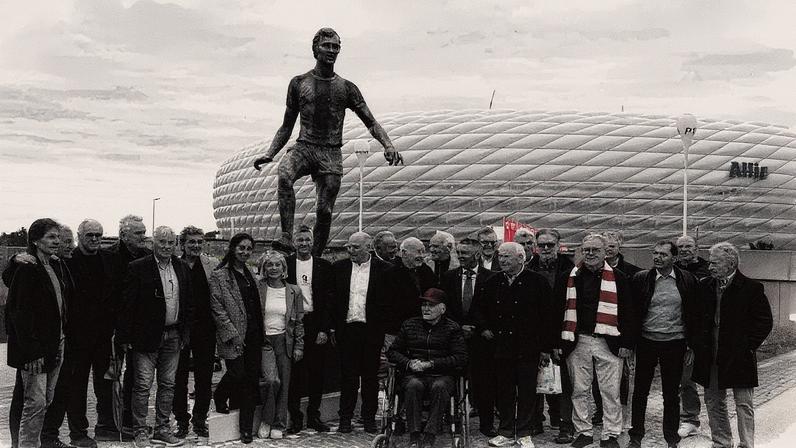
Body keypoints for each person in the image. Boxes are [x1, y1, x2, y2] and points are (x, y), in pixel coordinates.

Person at [252, 27, 403, 255]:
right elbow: (286, 125)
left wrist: (388, 145)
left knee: (324, 210)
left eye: (336, 46)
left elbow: (371, 122)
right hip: (304, 147)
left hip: (330, 152)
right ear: (315, 49)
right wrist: (271, 153)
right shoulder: (298, 83)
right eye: (327, 46)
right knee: (284, 175)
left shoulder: (347, 88)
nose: (331, 50)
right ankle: (285, 236)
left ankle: (316, 257)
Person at [40, 220, 116, 448]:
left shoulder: (108, 260)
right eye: (90, 235)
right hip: (76, 338)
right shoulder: (67, 262)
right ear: (80, 236)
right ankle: (77, 432)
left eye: (98, 235)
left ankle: (106, 427)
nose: (94, 239)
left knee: (105, 385)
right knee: (75, 387)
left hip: (103, 337)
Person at [472, 242, 555, 448]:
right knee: (504, 391)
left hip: (529, 347)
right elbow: (477, 309)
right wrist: (484, 328)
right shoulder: (492, 282)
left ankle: (525, 433)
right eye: (501, 256)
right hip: (501, 347)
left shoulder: (538, 282)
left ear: (521, 258)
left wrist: (545, 348)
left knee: (528, 391)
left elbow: (549, 317)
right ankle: (506, 431)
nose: (503, 260)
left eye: (507, 257)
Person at [691, 242, 773, 448]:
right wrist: (697, 343)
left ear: (730, 264)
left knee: (743, 403)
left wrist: (748, 346)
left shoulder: (752, 288)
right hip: (711, 354)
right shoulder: (705, 286)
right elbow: (694, 317)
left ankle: (746, 444)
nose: (709, 267)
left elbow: (764, 322)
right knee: (713, 401)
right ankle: (721, 442)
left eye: (714, 263)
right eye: (710, 263)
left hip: (740, 356)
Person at [119, 226, 192, 448]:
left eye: (171, 242)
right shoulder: (138, 268)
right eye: (162, 242)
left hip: (173, 335)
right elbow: (127, 305)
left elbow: (188, 303)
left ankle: (162, 429)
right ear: (153, 243)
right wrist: (125, 337)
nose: (167, 247)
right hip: (146, 337)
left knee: (168, 384)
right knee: (142, 385)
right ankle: (140, 431)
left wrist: (184, 333)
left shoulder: (181, 267)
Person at [559, 234, 634, 448]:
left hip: (609, 341)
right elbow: (557, 310)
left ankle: (611, 433)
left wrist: (627, 344)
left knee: (610, 390)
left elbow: (628, 312)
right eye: (587, 250)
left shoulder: (618, 277)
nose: (590, 254)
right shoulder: (569, 276)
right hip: (577, 340)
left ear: (605, 252)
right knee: (579, 389)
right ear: (582, 251)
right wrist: (557, 343)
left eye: (595, 250)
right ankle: (583, 431)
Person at [627, 241, 701, 448]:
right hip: (646, 341)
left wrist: (691, 345)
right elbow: (633, 313)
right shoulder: (642, 279)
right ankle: (636, 436)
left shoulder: (687, 280)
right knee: (640, 391)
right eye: (655, 253)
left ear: (674, 258)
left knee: (671, 394)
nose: (657, 257)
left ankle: (671, 438)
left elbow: (695, 314)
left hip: (674, 343)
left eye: (663, 254)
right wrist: (631, 345)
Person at [5, 219, 70, 448]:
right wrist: (32, 352)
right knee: (34, 404)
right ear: (35, 240)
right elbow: (19, 314)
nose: (57, 241)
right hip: (36, 351)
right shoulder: (27, 268)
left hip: (56, 345)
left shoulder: (54, 265)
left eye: (58, 237)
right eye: (51, 237)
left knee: (44, 402)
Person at [387, 288, 468, 448]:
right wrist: (409, 363)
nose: (426, 308)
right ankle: (415, 435)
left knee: (440, 386)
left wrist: (432, 364)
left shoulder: (452, 328)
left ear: (443, 309)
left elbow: (461, 357)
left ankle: (430, 435)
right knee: (413, 385)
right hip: (414, 374)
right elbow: (392, 351)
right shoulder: (410, 325)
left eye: (431, 305)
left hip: (442, 375)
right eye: (424, 305)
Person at [330, 231, 388, 434]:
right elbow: (333, 300)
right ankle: (345, 419)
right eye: (348, 247)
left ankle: (369, 418)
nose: (350, 251)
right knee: (348, 377)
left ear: (368, 247)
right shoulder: (339, 268)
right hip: (347, 329)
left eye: (355, 247)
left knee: (371, 377)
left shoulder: (384, 269)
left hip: (371, 330)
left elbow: (388, 303)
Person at [208, 233, 263, 444]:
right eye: (241, 247)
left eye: (249, 248)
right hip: (233, 335)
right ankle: (220, 394)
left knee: (250, 381)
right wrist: (232, 334)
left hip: (254, 334)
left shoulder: (250, 274)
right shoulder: (220, 276)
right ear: (232, 248)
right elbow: (217, 308)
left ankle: (246, 429)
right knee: (237, 374)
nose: (245, 252)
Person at [439, 237, 496, 437]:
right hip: (454, 337)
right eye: (459, 252)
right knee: (451, 379)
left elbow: (492, 309)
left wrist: (479, 328)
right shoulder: (448, 277)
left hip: (481, 340)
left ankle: (487, 423)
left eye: (465, 253)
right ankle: (450, 419)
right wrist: (458, 327)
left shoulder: (491, 278)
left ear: (477, 254)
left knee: (484, 382)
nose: (461, 256)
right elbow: (444, 307)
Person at [527, 228, 575, 443]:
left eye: (550, 245)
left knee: (564, 381)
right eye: (542, 245)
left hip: (562, 332)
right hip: (534, 333)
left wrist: (558, 340)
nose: (546, 249)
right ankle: (535, 420)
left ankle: (565, 423)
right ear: (536, 246)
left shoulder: (571, 269)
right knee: (532, 377)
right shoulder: (529, 268)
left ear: (558, 245)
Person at [286, 226, 334, 434]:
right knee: (295, 372)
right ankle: (295, 417)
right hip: (294, 322)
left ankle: (314, 415)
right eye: (300, 240)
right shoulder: (286, 264)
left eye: (307, 240)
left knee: (317, 372)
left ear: (312, 242)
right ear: (294, 242)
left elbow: (329, 300)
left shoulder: (324, 266)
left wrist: (324, 329)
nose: (304, 243)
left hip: (315, 322)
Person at [172, 226, 218, 439]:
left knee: (204, 376)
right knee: (178, 377)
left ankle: (200, 419)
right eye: (192, 242)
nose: (196, 246)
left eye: (199, 242)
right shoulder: (174, 265)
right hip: (180, 329)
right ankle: (181, 419)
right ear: (183, 244)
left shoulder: (211, 265)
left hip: (205, 328)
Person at [108, 214, 151, 438]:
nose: (143, 236)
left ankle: (130, 421)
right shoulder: (109, 256)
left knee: (136, 377)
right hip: (114, 329)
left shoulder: (147, 256)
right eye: (138, 233)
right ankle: (110, 424)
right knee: (110, 377)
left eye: (144, 232)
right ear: (123, 235)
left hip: (140, 330)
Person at [256, 251, 305, 440]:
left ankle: (279, 424)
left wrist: (299, 346)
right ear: (264, 268)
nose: (274, 268)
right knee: (271, 381)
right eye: (269, 265)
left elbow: (299, 321)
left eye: (277, 265)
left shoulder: (294, 290)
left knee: (284, 385)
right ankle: (267, 420)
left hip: (286, 340)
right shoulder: (258, 287)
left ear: (284, 268)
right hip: (265, 341)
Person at [675, 234, 710, 439]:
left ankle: (693, 418)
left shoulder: (707, 271)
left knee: (695, 378)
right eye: (680, 247)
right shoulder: (673, 270)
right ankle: (687, 417)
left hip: (700, 332)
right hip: (677, 329)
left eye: (689, 246)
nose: (684, 250)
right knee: (681, 377)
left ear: (697, 249)